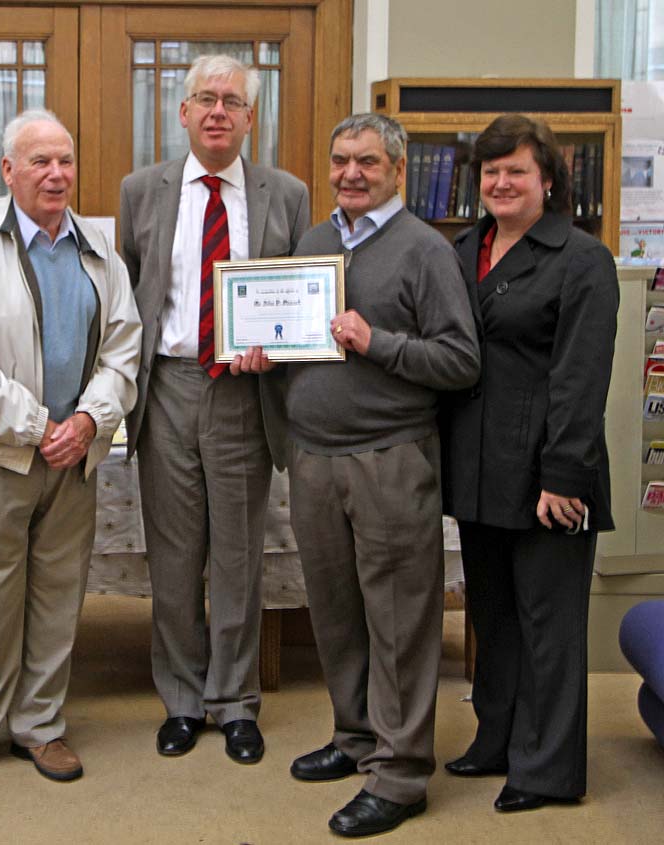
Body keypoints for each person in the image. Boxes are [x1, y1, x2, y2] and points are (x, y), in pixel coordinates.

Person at [275, 113, 480, 836]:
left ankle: (399, 772)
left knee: (399, 621)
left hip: (391, 458)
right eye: (339, 160)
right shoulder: (315, 241)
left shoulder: (427, 251)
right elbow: (300, 338)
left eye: (366, 161)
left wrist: (377, 341)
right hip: (314, 458)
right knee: (335, 613)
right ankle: (356, 734)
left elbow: (460, 359)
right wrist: (262, 348)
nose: (350, 173)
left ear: (397, 167)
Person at [0, 109, 141, 793]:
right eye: (40, 161)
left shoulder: (99, 252)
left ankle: (40, 725)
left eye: (66, 161)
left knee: (57, 598)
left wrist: (87, 420)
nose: (56, 173)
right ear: (8, 171)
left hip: (72, 458)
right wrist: (40, 426)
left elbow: (122, 350)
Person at [119, 54, 309, 765]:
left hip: (243, 391)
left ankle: (234, 701)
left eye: (233, 100)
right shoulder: (142, 191)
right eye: (206, 98)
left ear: (251, 117)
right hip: (167, 385)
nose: (219, 111)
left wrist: (276, 347)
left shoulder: (285, 194)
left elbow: (296, 296)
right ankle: (181, 698)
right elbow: (134, 291)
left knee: (237, 555)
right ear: (183, 112)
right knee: (172, 557)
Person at [441, 114, 618, 813]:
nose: (502, 183)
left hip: (549, 474)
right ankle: (498, 738)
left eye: (517, 171)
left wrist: (564, 477)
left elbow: (581, 377)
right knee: (493, 616)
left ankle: (545, 767)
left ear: (548, 179)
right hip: (479, 471)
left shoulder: (582, 258)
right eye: (491, 172)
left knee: (548, 624)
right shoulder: (463, 250)